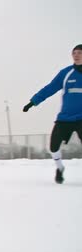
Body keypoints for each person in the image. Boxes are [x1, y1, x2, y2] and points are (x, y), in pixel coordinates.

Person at [23, 44, 82, 184]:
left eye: (79, 52)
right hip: (65, 118)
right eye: (74, 53)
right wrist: (33, 102)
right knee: (53, 146)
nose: (76, 55)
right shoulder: (65, 73)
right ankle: (60, 168)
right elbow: (50, 88)